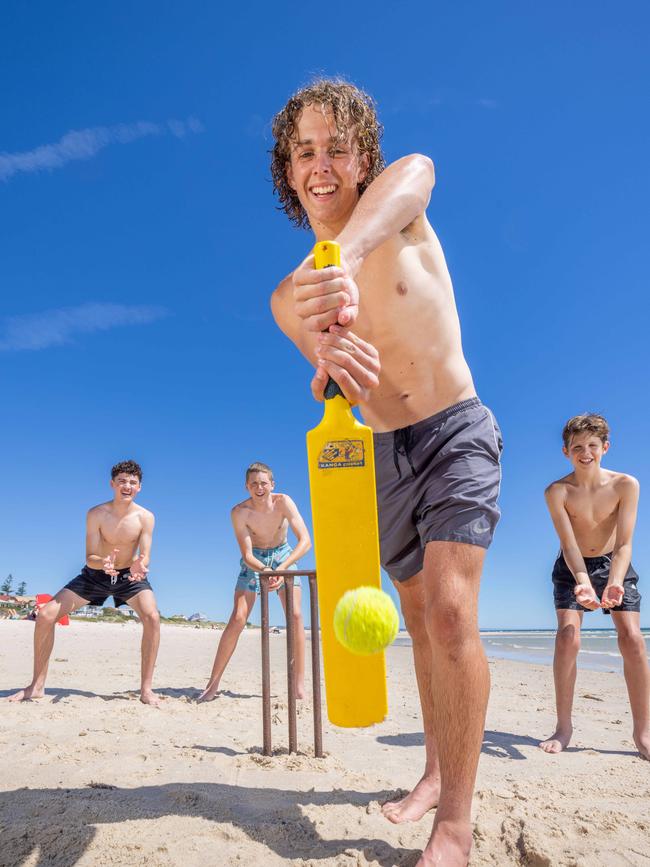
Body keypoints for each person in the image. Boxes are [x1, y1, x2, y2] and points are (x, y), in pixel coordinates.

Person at [269, 79, 502, 866]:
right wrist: (327, 357)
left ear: (362, 155)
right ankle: (436, 769)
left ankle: (457, 825)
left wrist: (346, 255)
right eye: (305, 151)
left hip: (456, 428)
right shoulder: (289, 293)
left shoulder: (400, 199)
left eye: (337, 146)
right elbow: (326, 365)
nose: (321, 163)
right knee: (416, 626)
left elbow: (422, 169)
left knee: (449, 612)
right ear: (289, 170)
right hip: (379, 457)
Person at [540, 413, 649, 759]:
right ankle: (563, 726)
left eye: (591, 445)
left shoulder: (625, 485)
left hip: (613, 562)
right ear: (565, 452)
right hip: (573, 567)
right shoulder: (557, 491)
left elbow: (625, 544)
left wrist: (614, 582)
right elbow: (569, 545)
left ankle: (643, 731)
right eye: (577, 447)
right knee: (568, 636)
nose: (584, 452)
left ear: (605, 447)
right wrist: (583, 583)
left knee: (632, 639)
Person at [9, 460, 160, 706]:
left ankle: (146, 690)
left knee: (152, 617)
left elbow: (145, 555)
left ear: (139, 487)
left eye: (132, 482)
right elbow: (90, 557)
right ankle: (36, 686)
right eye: (122, 481)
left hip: (128, 578)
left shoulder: (146, 517)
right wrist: (104, 562)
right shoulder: (96, 514)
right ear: (112, 484)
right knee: (46, 615)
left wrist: (139, 565)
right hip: (96, 575)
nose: (127, 486)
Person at [198, 462, 311, 702]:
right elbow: (247, 554)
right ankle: (213, 682)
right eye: (253, 484)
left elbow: (305, 541)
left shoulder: (283, 502)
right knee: (238, 618)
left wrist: (280, 568)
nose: (259, 488)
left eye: (263, 483)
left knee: (296, 616)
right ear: (247, 486)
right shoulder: (239, 512)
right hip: (256, 559)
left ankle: (299, 684)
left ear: (272, 484)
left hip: (283, 554)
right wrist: (266, 570)